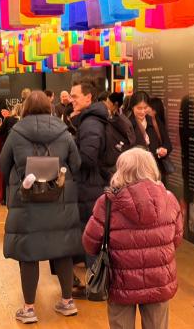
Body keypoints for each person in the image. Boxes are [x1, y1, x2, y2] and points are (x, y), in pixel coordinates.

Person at [0, 91, 83, 324]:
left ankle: (29, 309)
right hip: (60, 202)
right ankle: (67, 302)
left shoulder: (16, 133)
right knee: (63, 250)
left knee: (29, 253)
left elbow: (2, 165)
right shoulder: (64, 132)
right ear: (49, 106)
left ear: (25, 108)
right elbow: (76, 164)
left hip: (27, 204)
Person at [83, 148, 183, 329]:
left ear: (121, 170)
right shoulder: (169, 199)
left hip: (119, 281)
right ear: (151, 168)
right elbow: (176, 240)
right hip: (159, 281)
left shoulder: (107, 203)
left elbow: (90, 244)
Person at [69, 79, 108, 267]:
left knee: (91, 235)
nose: (72, 100)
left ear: (88, 97)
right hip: (91, 185)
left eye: (75, 96)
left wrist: (70, 153)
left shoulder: (90, 123)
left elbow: (88, 158)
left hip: (90, 186)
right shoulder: (89, 120)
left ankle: (96, 280)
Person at [129, 92, 172, 177]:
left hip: (155, 171)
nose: (142, 111)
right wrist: (154, 152)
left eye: (145, 108)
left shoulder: (154, 121)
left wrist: (164, 150)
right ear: (132, 107)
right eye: (139, 108)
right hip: (137, 173)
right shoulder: (127, 124)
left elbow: (168, 143)